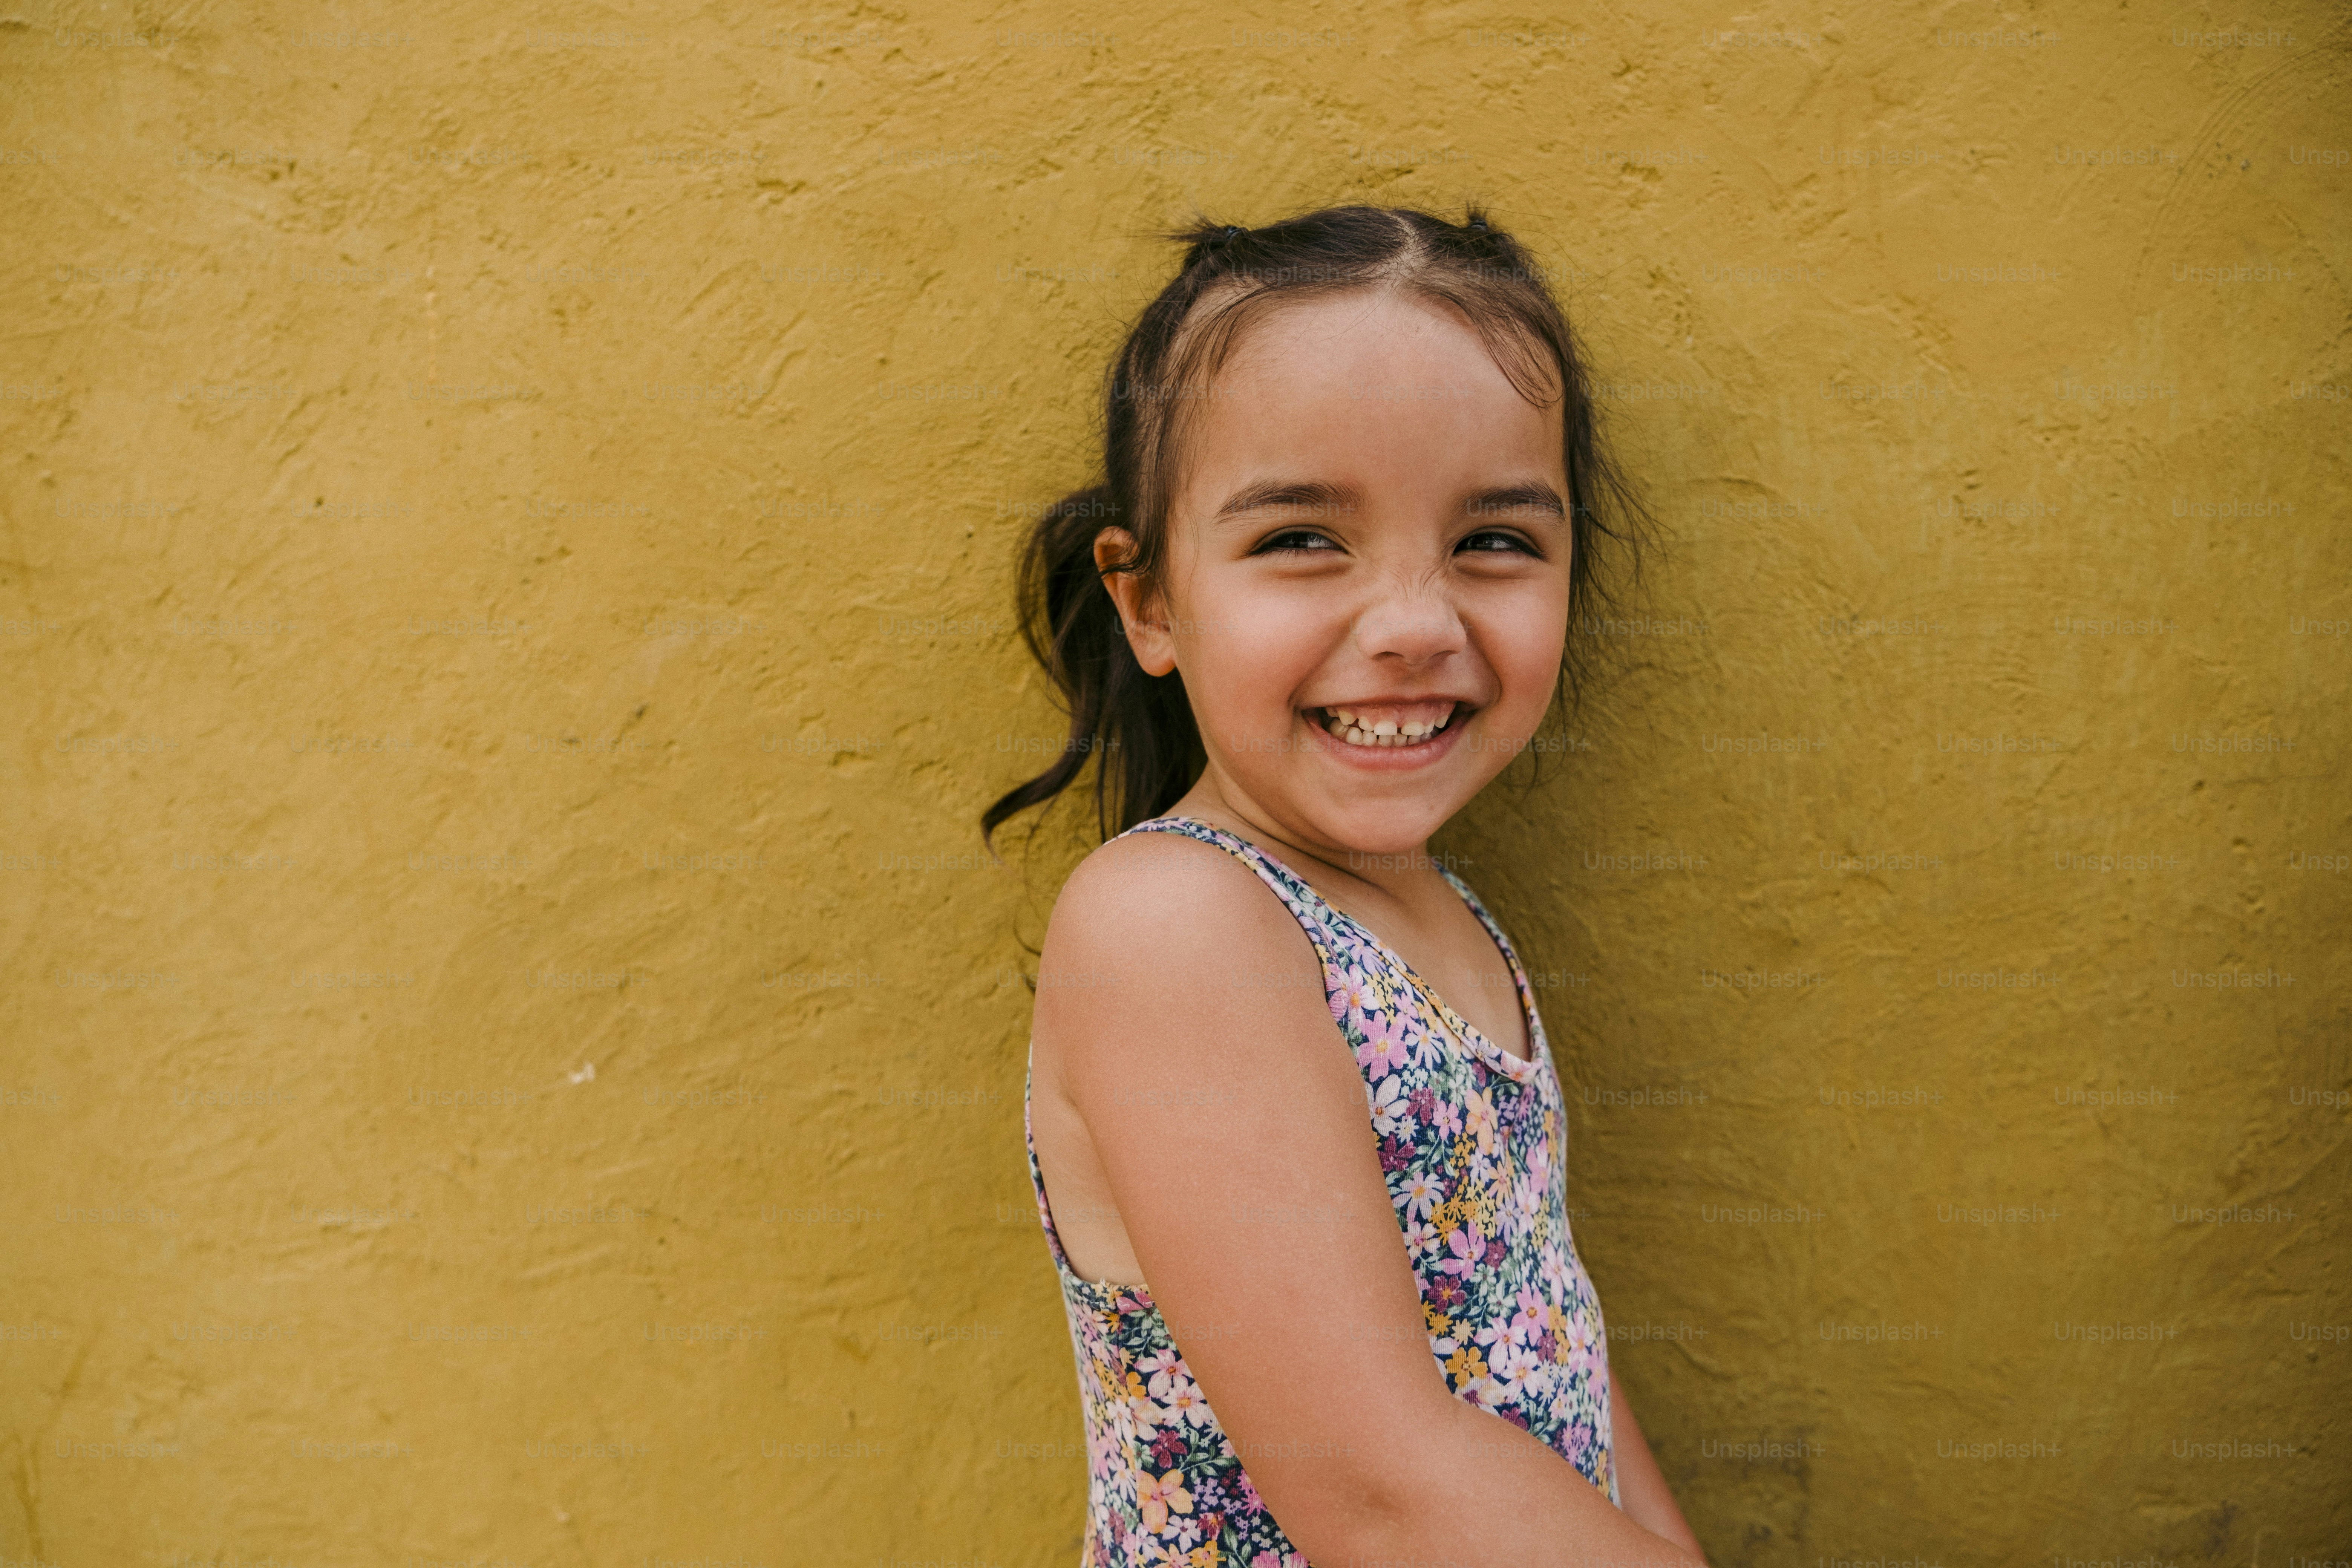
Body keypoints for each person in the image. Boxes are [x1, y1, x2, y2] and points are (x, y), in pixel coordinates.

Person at [984, 204, 1708, 1568]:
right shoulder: (1175, 929)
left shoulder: (1438, 916)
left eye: (1495, 541)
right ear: (1149, 603)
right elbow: (1379, 1491)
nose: (1417, 624)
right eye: (1303, 539)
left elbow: (1546, 1318)